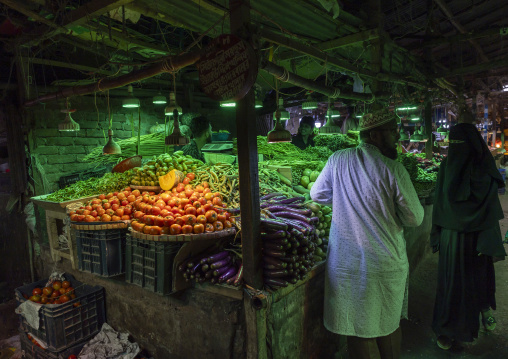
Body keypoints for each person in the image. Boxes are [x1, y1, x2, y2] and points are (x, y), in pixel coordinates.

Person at [310, 109, 424, 359]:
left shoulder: (338, 159)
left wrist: (342, 199)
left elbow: (317, 195)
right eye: (393, 132)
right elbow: (415, 217)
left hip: (347, 265)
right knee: (388, 324)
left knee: (357, 329)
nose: (397, 136)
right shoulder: (394, 170)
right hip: (385, 264)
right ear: (375, 135)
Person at [431, 108, 506, 350]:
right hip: (452, 237)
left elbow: (489, 207)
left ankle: (482, 313)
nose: (455, 148)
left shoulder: (484, 171)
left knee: (476, 281)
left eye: (459, 143)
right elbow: (440, 203)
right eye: (453, 144)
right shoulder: (446, 167)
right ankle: (446, 328)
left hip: (477, 238)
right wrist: (439, 232)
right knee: (452, 284)